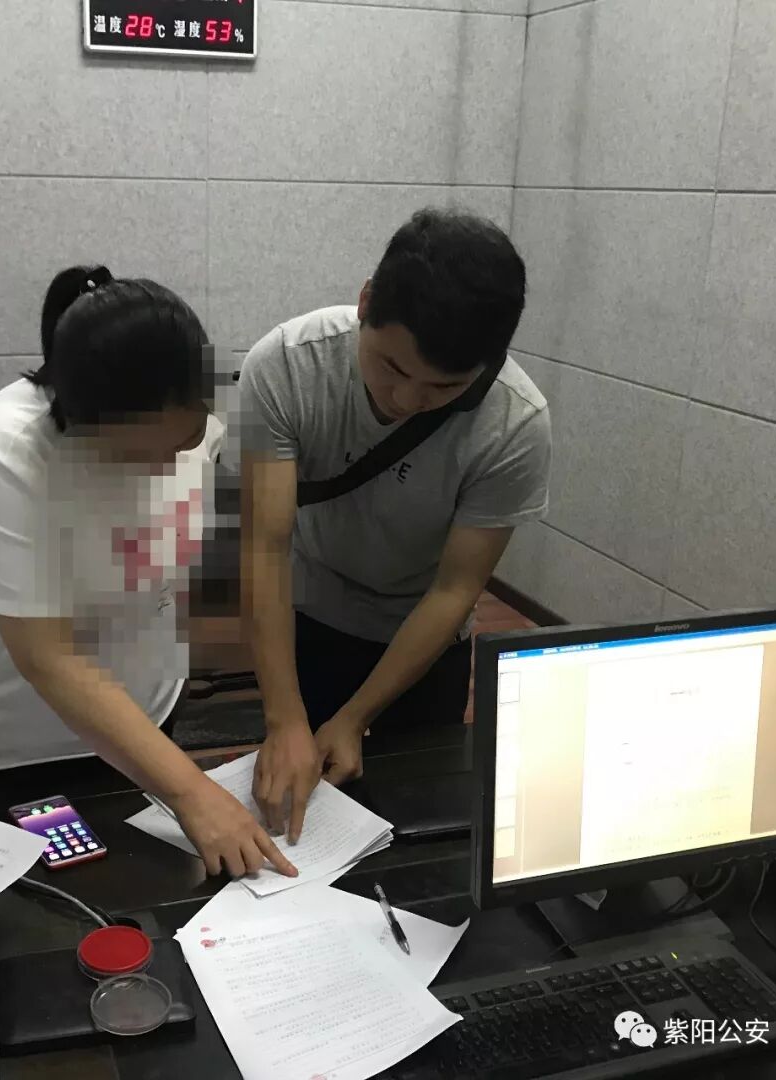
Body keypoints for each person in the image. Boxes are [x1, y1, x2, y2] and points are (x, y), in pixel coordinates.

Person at [0, 266, 296, 880]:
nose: (165, 468)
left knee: (149, 896)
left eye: (183, 442)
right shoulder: (12, 447)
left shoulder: (202, 404)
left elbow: (254, 534)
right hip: (21, 745)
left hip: (148, 720)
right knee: (50, 913)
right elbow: (49, 656)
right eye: (136, 456)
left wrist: (282, 718)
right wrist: (193, 791)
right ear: (81, 422)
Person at [239, 208, 551, 840]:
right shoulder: (287, 366)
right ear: (365, 302)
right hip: (308, 614)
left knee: (417, 834)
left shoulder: (515, 424)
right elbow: (264, 548)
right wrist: (284, 718)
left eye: (443, 388)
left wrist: (356, 718)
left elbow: (454, 591)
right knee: (293, 815)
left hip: (423, 641)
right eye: (391, 367)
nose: (406, 400)